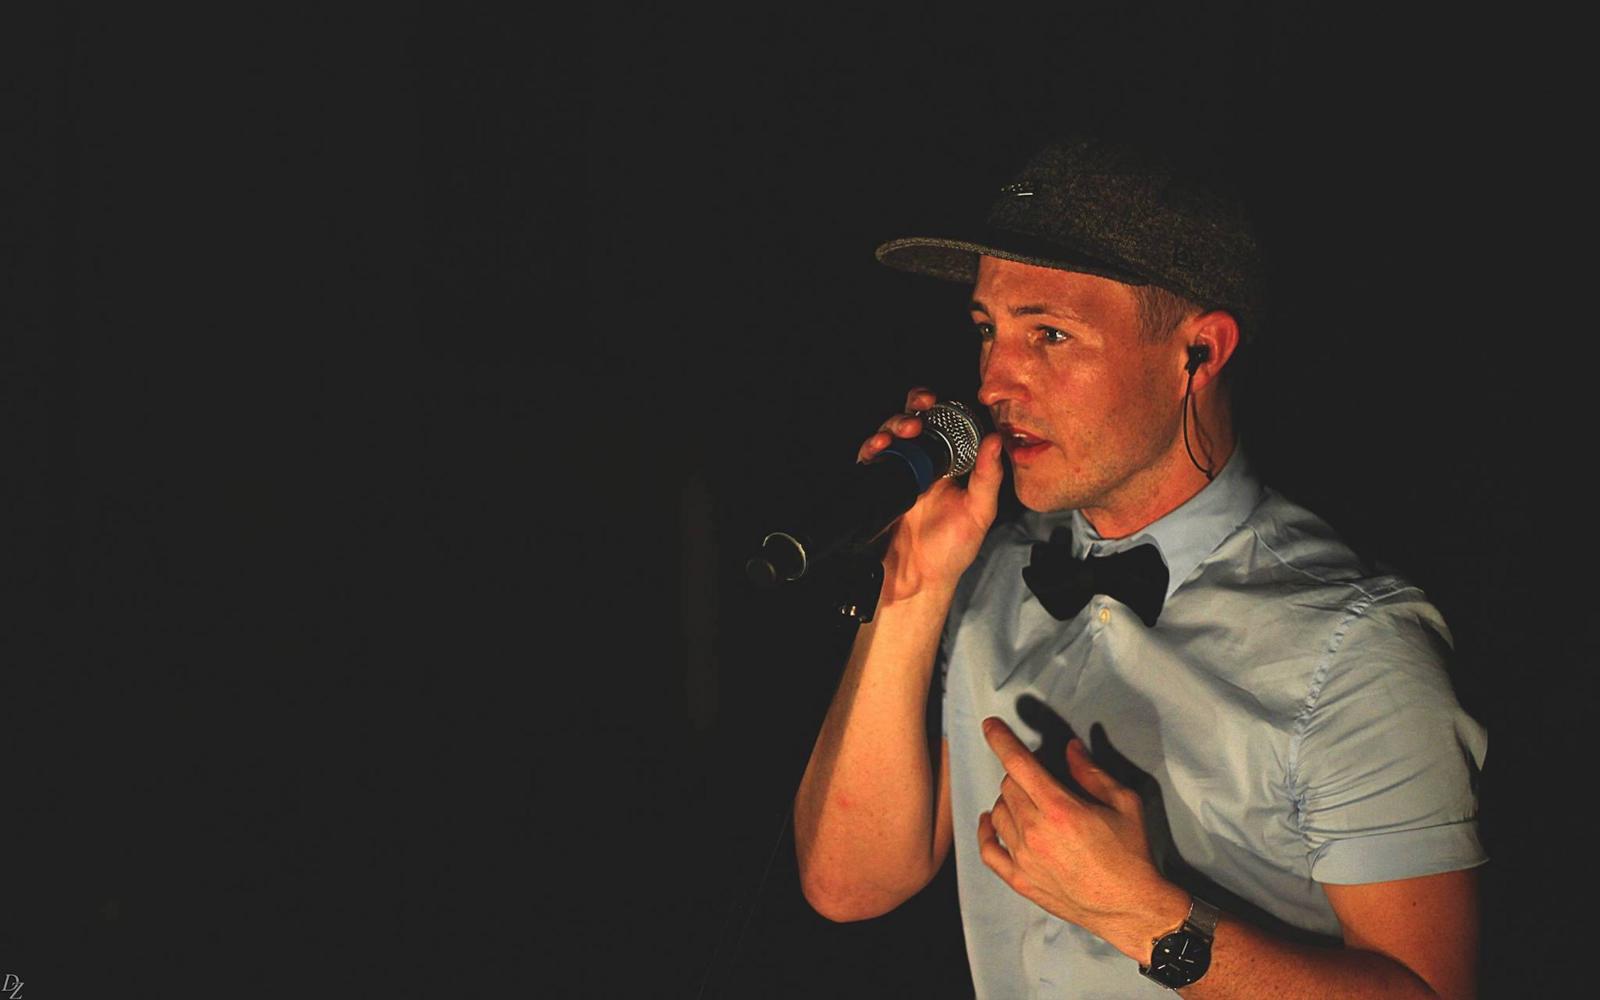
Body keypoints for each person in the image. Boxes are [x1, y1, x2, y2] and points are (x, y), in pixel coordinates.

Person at [791, 136, 1486, 998]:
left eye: (1049, 333)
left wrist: (1141, 914)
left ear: (1200, 353)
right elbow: (850, 884)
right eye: (987, 330)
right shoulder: (978, 584)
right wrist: (914, 585)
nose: (996, 382)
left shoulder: (1355, 646)